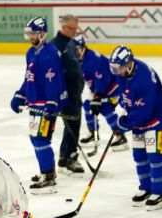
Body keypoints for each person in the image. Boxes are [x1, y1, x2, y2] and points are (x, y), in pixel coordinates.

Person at [110, 45, 162, 210]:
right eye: (115, 68)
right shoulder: (121, 73)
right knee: (139, 155)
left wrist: (125, 123)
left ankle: (159, 193)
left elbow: (146, 112)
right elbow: (123, 94)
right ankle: (146, 188)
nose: (117, 71)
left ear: (129, 63)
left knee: (155, 157)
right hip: (137, 120)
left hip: (156, 120)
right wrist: (123, 106)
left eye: (120, 67)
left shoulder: (145, 78)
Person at [10, 17, 67, 193]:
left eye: (33, 34)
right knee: (38, 138)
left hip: (45, 105)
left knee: (40, 139)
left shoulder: (49, 53)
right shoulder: (31, 52)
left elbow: (53, 81)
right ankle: (46, 172)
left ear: (42, 33)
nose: (30, 37)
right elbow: (29, 78)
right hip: (36, 104)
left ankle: (49, 178)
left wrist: (52, 103)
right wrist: (20, 95)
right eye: (28, 34)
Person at [73, 34, 129, 151]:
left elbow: (104, 79)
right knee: (89, 106)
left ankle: (119, 136)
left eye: (75, 49)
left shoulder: (93, 61)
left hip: (113, 84)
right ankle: (94, 134)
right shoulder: (80, 59)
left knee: (104, 107)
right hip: (101, 86)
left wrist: (97, 97)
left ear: (82, 49)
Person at [51, 14, 86, 178]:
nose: (73, 32)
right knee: (72, 125)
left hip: (75, 93)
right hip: (65, 95)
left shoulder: (71, 44)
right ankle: (70, 158)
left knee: (73, 126)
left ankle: (64, 159)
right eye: (70, 28)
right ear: (63, 27)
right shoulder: (55, 46)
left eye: (75, 29)